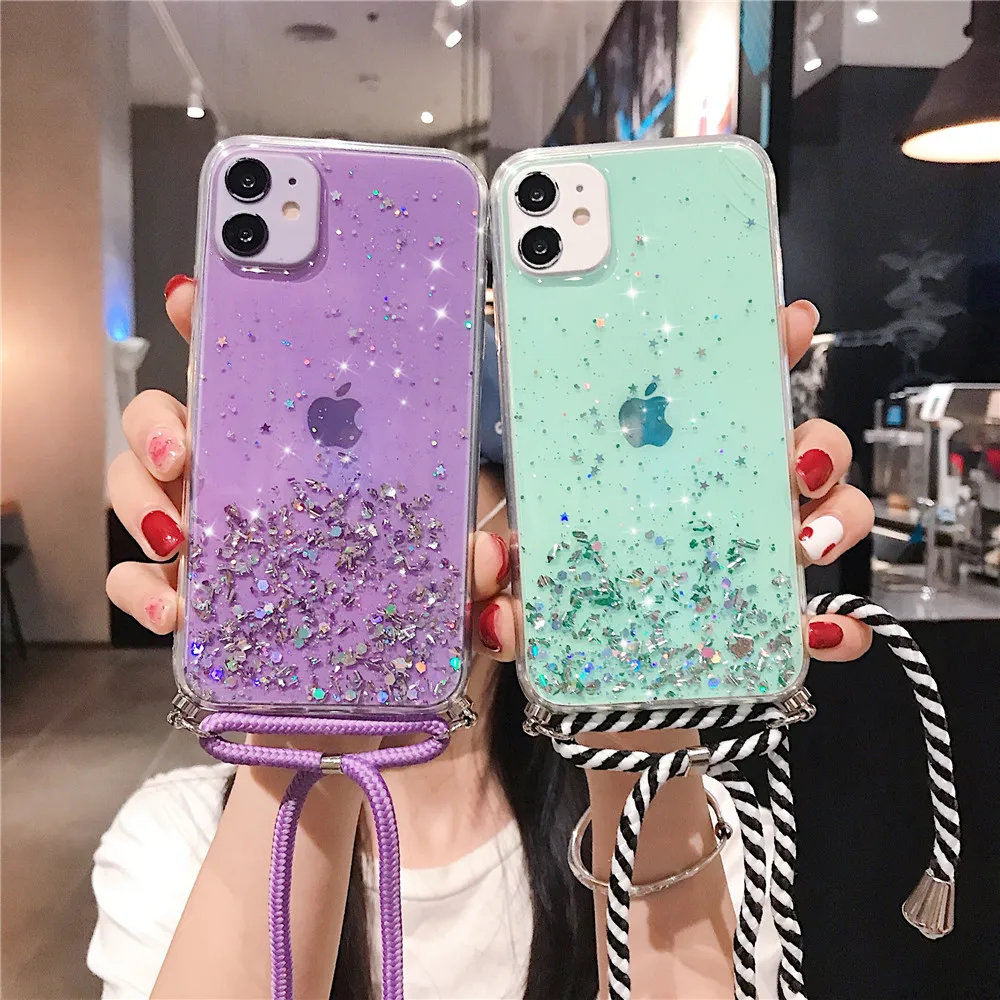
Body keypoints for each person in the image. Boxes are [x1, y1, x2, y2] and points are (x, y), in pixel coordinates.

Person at [90, 276, 874, 1000]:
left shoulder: (708, 827)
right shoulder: (172, 843)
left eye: (430, 483)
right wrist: (305, 729)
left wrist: (639, 720)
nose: (369, 527)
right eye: (335, 485)